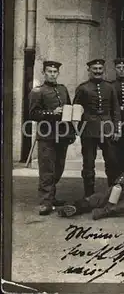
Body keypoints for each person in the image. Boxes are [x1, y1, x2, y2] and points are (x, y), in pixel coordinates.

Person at [28, 61, 76, 215]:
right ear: (44, 73)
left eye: (55, 72)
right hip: (47, 135)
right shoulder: (37, 91)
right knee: (47, 169)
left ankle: (51, 196)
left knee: (59, 168)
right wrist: (51, 113)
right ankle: (45, 202)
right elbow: (33, 114)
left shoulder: (62, 89)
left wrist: (71, 132)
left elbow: (68, 111)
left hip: (62, 135)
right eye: (49, 71)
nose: (52, 74)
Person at [74, 59, 121, 197]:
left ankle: (111, 194)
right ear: (89, 71)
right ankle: (89, 194)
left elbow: (116, 110)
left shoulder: (110, 87)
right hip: (89, 129)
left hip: (107, 127)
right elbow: (76, 110)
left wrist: (117, 129)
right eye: (94, 69)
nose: (98, 71)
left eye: (100, 69)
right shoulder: (83, 88)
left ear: (104, 70)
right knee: (88, 162)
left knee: (112, 161)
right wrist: (77, 128)